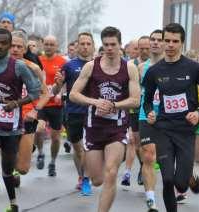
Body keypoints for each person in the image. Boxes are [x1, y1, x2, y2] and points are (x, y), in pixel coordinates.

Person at [69, 26, 140, 212]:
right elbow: (73, 94)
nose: (109, 48)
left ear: (120, 45)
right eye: (106, 44)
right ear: (102, 45)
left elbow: (136, 100)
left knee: (111, 172)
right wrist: (94, 102)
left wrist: (114, 105)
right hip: (93, 128)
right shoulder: (91, 66)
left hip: (117, 129)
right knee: (97, 179)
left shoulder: (129, 68)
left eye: (113, 44)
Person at [143, 23, 199, 212]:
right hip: (163, 128)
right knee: (167, 180)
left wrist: (198, 111)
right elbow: (147, 100)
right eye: (167, 40)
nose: (170, 45)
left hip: (185, 130)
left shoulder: (194, 68)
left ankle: (189, 177)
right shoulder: (154, 71)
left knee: (180, 185)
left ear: (182, 43)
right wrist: (149, 112)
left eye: (175, 41)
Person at [0, 28, 40, 212]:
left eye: (4, 43)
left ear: (10, 46)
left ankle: (12, 201)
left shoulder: (19, 67)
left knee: (8, 170)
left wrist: (17, 103)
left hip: (11, 125)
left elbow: (35, 91)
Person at [52, 32, 95, 195]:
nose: (85, 47)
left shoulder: (99, 64)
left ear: (93, 46)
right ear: (77, 46)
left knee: (88, 147)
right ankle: (81, 176)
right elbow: (55, 90)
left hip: (93, 112)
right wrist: (57, 85)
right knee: (78, 148)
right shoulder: (69, 66)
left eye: (88, 44)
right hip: (73, 111)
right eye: (82, 43)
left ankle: (86, 179)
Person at [10, 31, 49, 176]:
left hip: (27, 117)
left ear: (25, 49)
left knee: (23, 169)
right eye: (12, 45)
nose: (15, 49)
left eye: (19, 47)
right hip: (4, 117)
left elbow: (45, 94)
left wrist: (35, 111)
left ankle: (19, 156)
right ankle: (9, 164)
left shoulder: (33, 68)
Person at [137, 29, 164, 211]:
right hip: (145, 115)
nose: (155, 43)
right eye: (152, 40)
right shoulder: (141, 68)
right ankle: (151, 201)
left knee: (166, 157)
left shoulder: (173, 66)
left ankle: (187, 173)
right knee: (148, 156)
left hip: (169, 117)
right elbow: (138, 94)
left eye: (159, 40)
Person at [35, 35, 66, 177]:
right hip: (41, 102)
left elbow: (66, 81)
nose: (48, 46)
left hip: (55, 104)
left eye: (51, 44)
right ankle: (40, 153)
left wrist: (61, 93)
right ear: (42, 45)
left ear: (56, 46)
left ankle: (52, 162)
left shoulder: (62, 61)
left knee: (55, 137)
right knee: (38, 130)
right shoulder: (37, 60)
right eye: (46, 44)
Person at [122, 35, 150, 186]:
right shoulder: (130, 65)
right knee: (136, 142)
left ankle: (146, 167)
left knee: (148, 143)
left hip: (151, 108)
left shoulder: (155, 64)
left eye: (147, 48)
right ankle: (142, 167)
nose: (144, 51)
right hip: (134, 108)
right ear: (137, 49)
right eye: (141, 48)